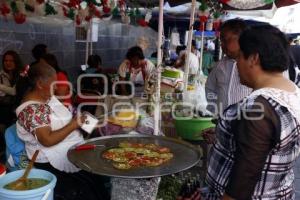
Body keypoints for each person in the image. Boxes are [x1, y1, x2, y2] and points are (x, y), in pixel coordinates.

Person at [204, 24, 300, 200]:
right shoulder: (291, 91)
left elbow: (243, 180)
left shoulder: (257, 110)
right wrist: (224, 134)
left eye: (240, 56)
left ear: (253, 58)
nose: (237, 63)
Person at [15, 63, 110, 200]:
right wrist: (74, 124)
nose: (57, 87)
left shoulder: (47, 98)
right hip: (50, 160)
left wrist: (90, 123)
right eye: (54, 84)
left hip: (71, 149)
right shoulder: (32, 110)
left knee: (95, 180)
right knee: (86, 189)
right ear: (40, 84)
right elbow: (47, 140)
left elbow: (67, 116)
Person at [205, 19, 252, 116]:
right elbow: (210, 88)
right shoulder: (220, 66)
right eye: (221, 41)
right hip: (222, 119)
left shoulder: (254, 65)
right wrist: (214, 109)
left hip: (246, 122)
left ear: (242, 39)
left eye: (226, 40)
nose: (222, 45)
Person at [0, 50, 23, 126]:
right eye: (6, 61)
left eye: (11, 61)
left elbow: (14, 91)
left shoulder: (22, 74)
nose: (8, 63)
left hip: (19, 109)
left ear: (16, 62)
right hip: (5, 108)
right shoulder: (2, 74)